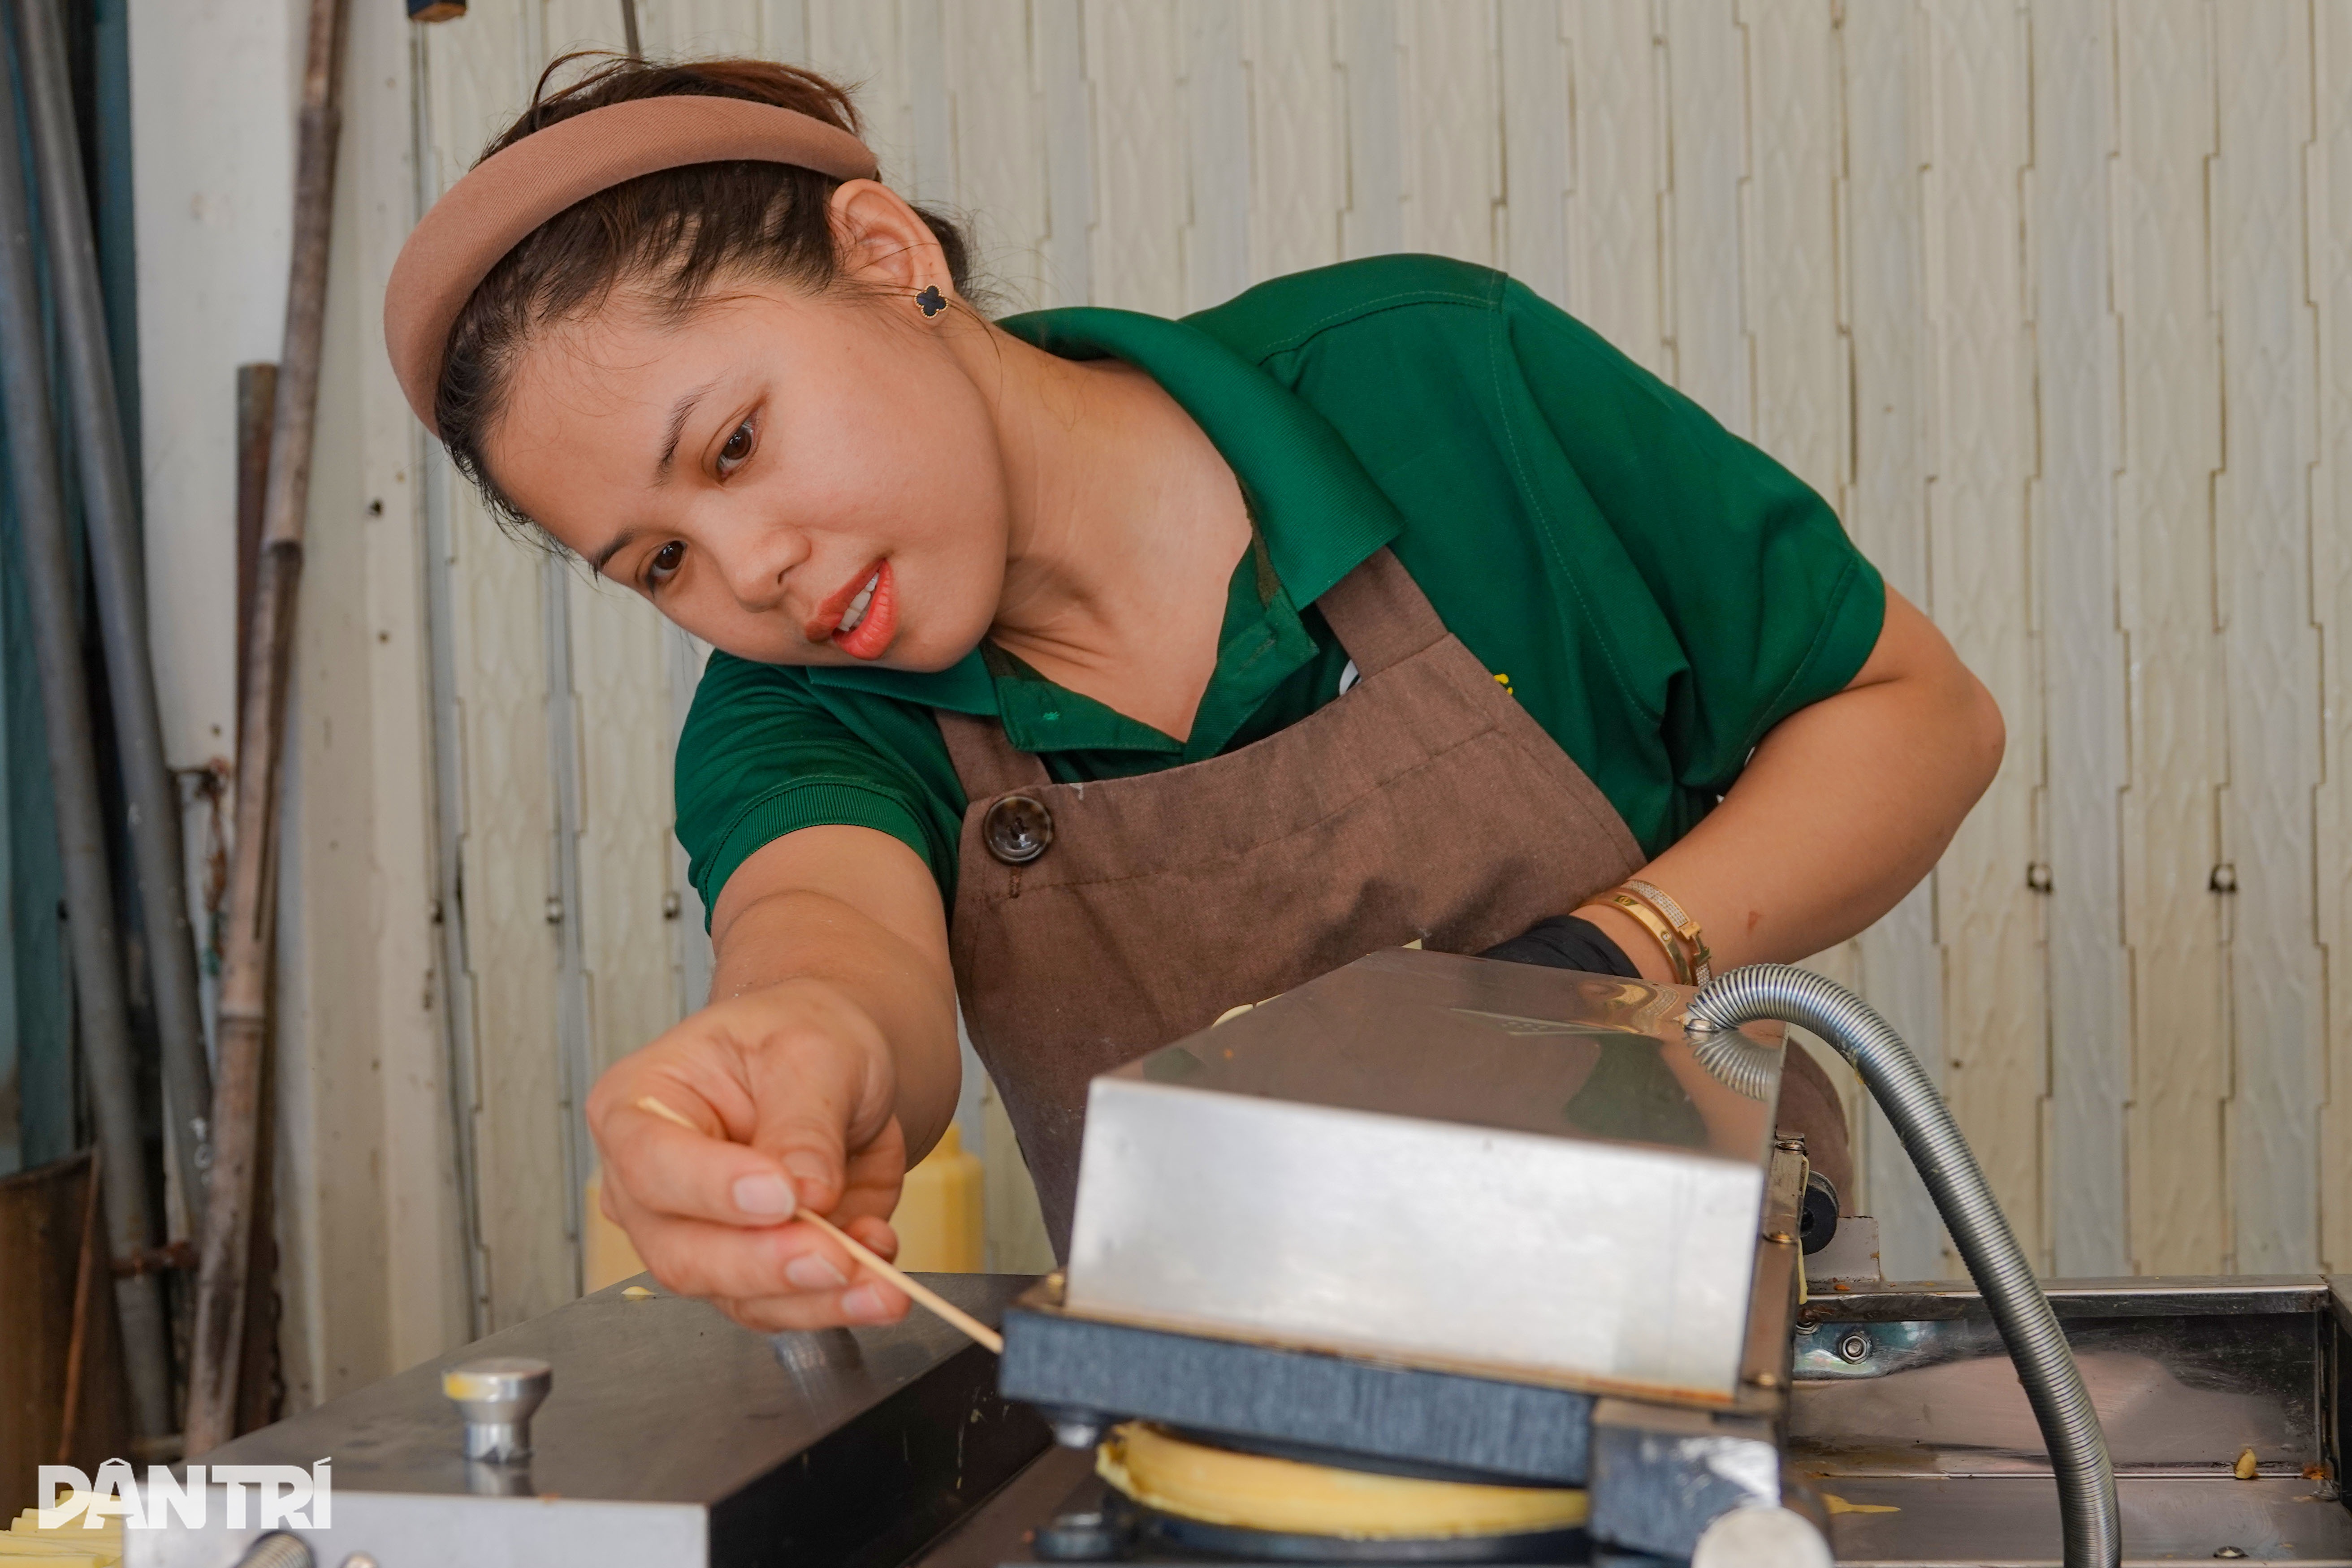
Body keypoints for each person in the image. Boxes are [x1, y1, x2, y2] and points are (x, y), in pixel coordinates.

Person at [384, 56, 2002, 1335]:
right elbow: (831, 937)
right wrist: (793, 1054)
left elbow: (1915, 711)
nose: (753, 572)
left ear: (885, 256)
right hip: (1232, 1450)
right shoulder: (797, 710)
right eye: (657, 562)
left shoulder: (1435, 381)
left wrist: (1608, 957)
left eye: (735, 445)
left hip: (1719, 1360)